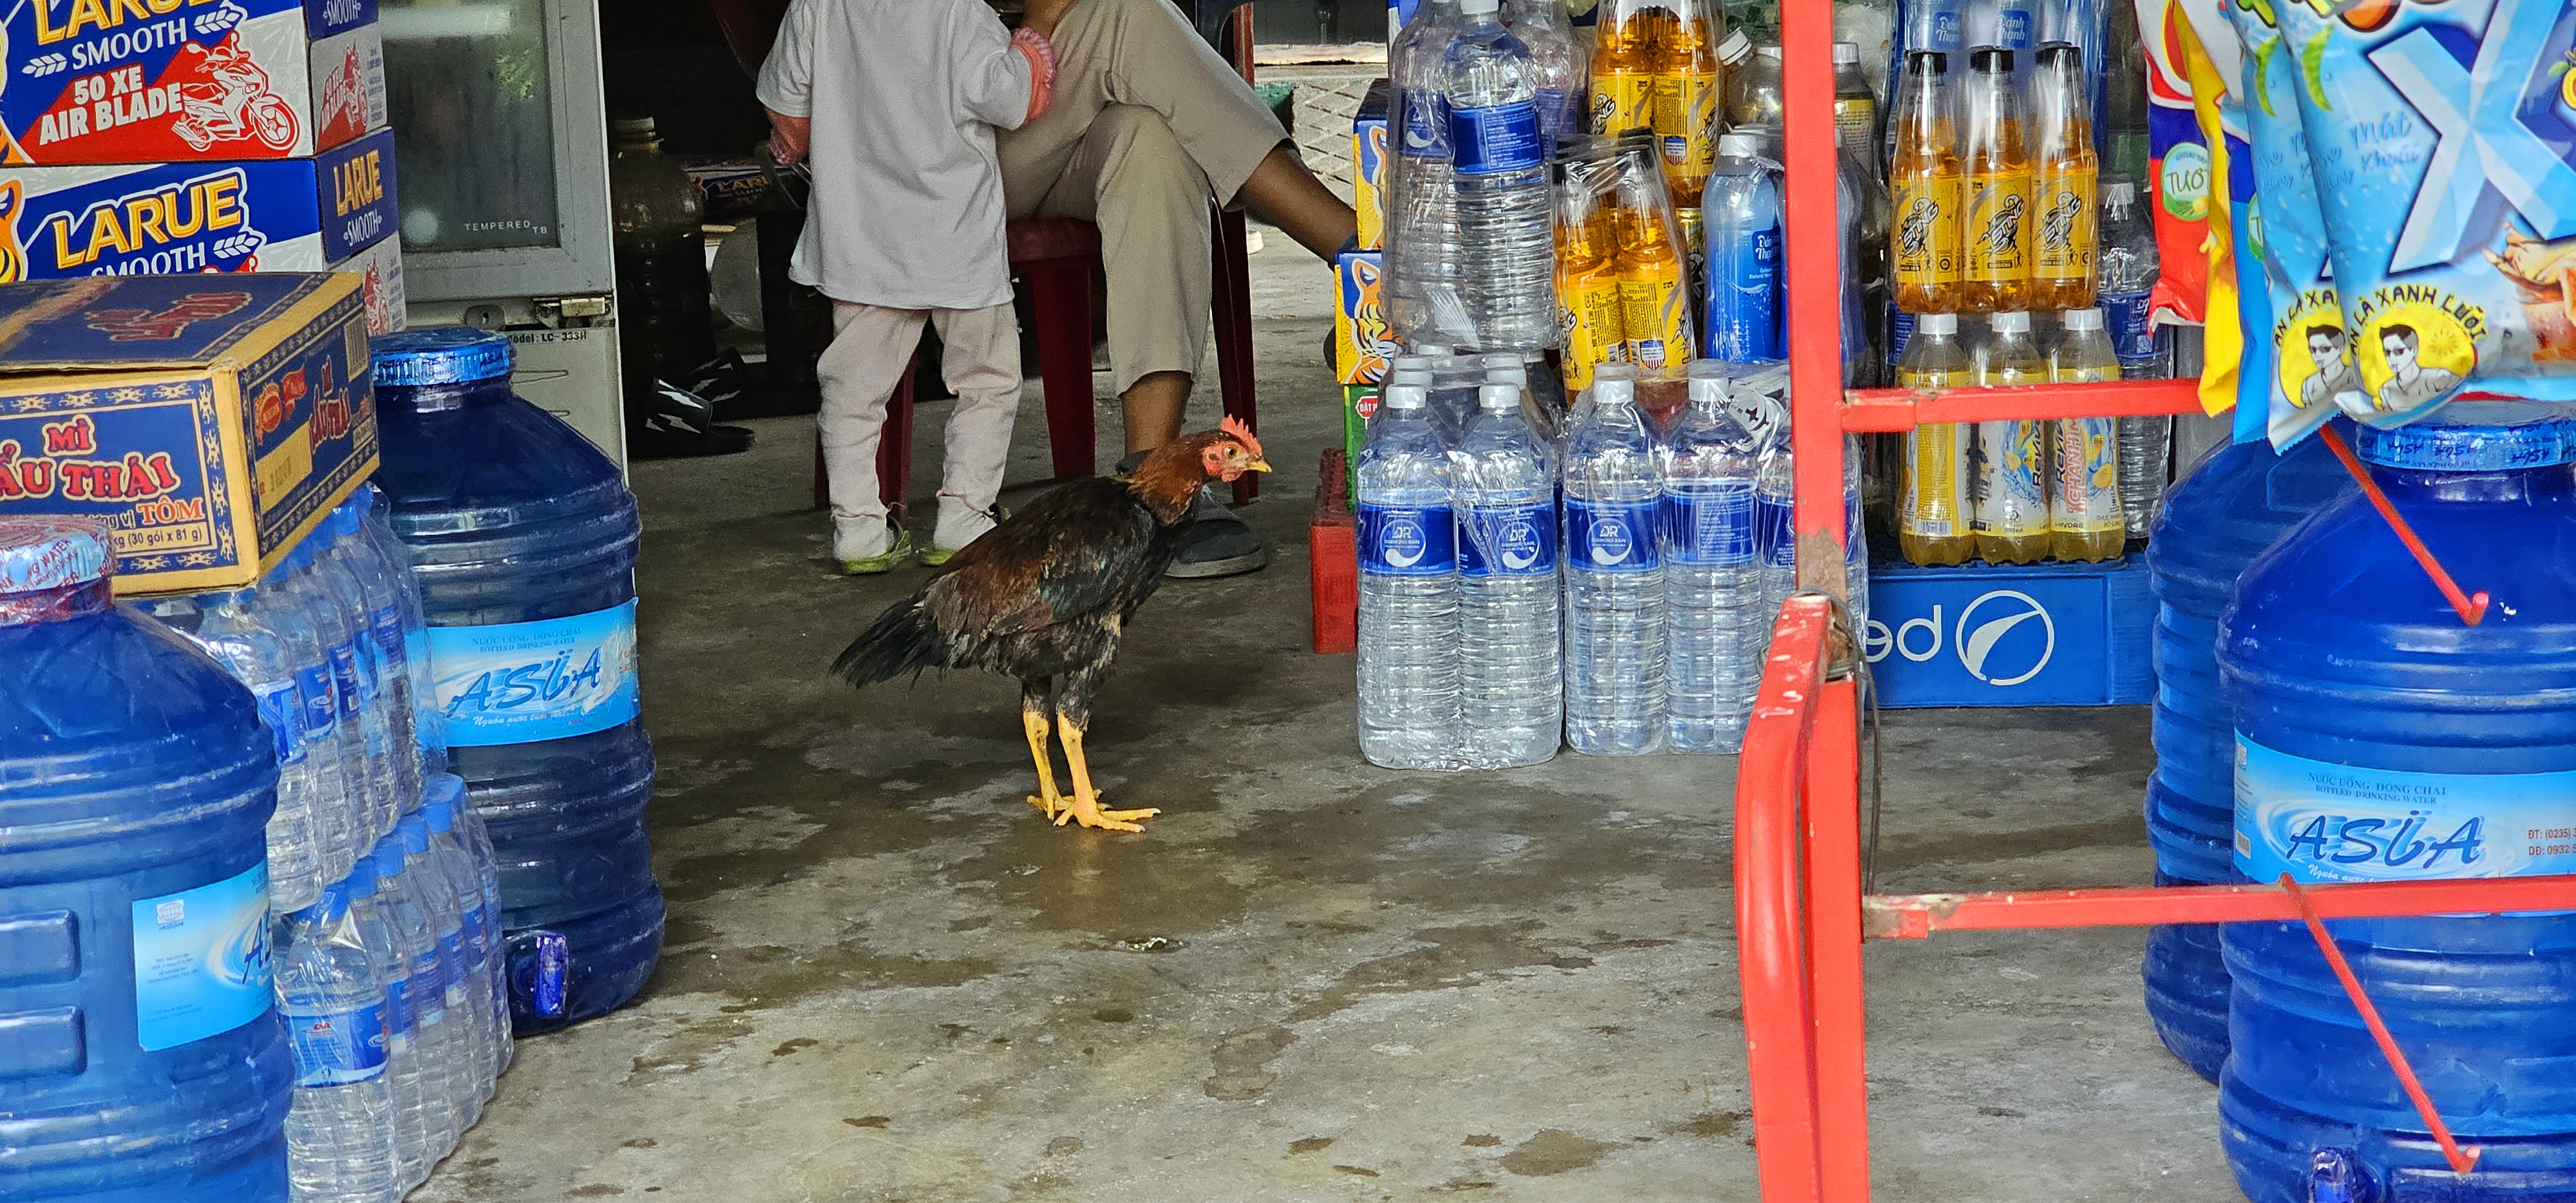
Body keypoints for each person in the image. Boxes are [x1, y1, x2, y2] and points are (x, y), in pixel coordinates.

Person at [757, 0, 1061, 573]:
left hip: (863, 243)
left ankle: (858, 530)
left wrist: (801, 141)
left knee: (852, 394)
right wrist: (1033, 36)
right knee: (987, 382)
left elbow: (787, 112)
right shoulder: (960, 11)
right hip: (957, 243)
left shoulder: (817, 6)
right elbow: (1013, 100)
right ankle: (966, 517)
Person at [2374, 323, 2461, 415]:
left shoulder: (2439, 378)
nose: (2391, 358)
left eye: (2399, 351)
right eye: (2387, 352)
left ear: (2414, 350)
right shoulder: (2386, 390)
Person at [2297, 324, 2359, 412]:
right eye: (2313, 350)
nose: (2317, 355)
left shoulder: (2355, 377)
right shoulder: (2308, 385)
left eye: (2324, 349)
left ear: (2340, 349)